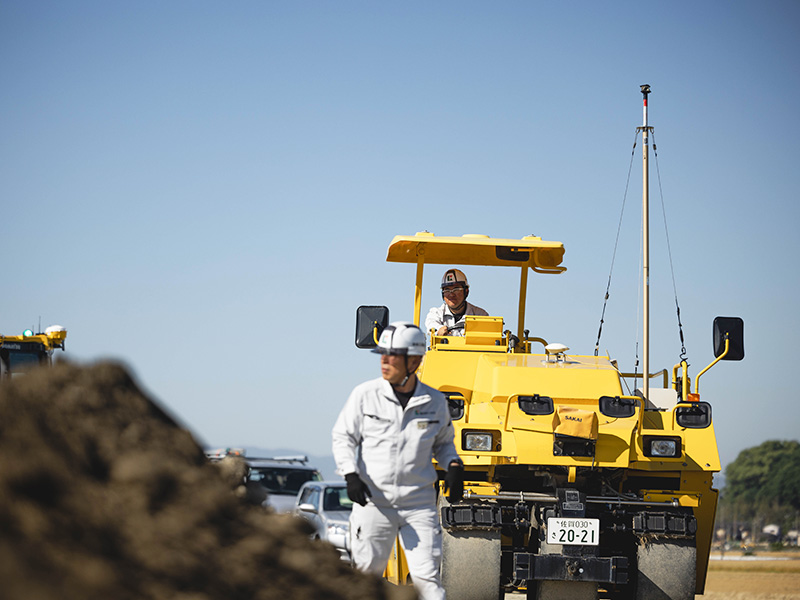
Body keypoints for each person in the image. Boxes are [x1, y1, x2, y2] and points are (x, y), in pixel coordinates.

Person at [332, 322, 464, 600]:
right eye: (382, 353)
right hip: (373, 502)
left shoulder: (434, 401)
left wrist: (453, 465)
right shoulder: (364, 396)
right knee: (364, 579)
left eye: (393, 354)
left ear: (414, 360)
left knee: (428, 581)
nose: (384, 360)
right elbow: (343, 437)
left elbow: (444, 444)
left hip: (418, 504)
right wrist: (350, 474)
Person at [425, 268, 488, 337]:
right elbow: (431, 324)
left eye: (456, 289)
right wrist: (439, 329)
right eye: (447, 290)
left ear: (466, 291)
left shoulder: (480, 315)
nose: (451, 294)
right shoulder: (436, 313)